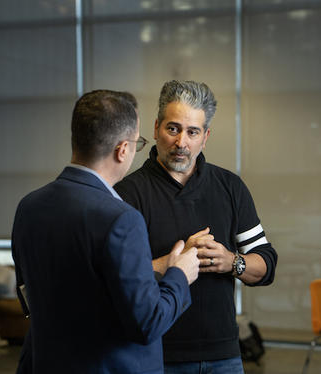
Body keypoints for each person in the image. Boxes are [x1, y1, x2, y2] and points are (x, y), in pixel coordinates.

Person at [11, 90, 200, 374]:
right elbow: (147, 324)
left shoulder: (29, 206)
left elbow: (31, 295)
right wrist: (179, 274)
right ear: (123, 150)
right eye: (137, 144)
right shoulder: (121, 219)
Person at [114, 80, 278, 374]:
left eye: (193, 132)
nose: (181, 143)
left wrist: (232, 262)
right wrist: (176, 263)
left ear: (206, 137)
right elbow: (117, 280)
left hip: (225, 354)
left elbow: (266, 264)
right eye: (173, 129)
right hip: (157, 354)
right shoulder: (127, 194)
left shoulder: (230, 187)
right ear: (155, 129)